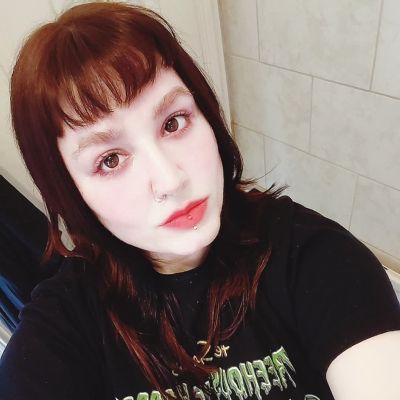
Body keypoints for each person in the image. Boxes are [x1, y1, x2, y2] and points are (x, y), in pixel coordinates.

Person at [0, 2, 399, 399]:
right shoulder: (65, 325)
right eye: (110, 160)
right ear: (70, 192)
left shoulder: (313, 256)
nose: (171, 180)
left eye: (173, 122)